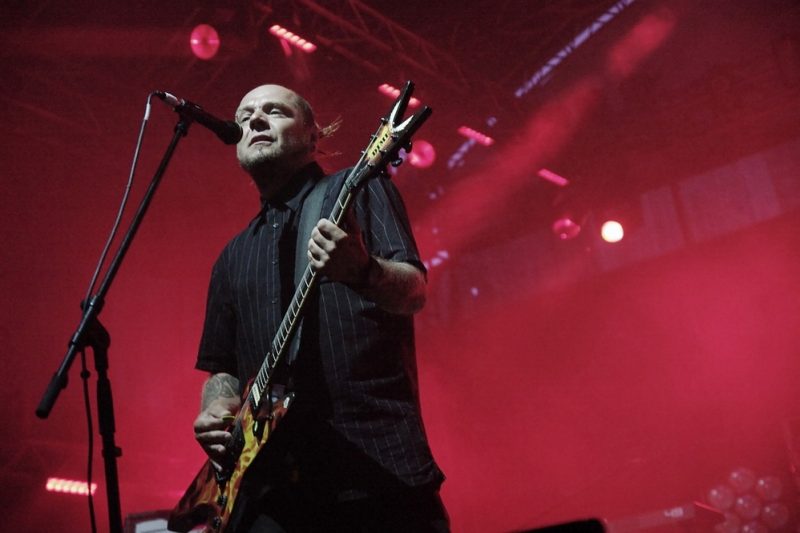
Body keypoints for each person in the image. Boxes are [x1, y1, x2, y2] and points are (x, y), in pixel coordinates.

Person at [191, 84, 447, 532]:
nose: (255, 119)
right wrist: (218, 408)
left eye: (274, 111)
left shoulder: (359, 188)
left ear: (314, 136)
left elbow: (415, 293)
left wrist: (363, 270)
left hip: (374, 474)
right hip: (269, 493)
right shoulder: (231, 257)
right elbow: (223, 368)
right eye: (245, 115)